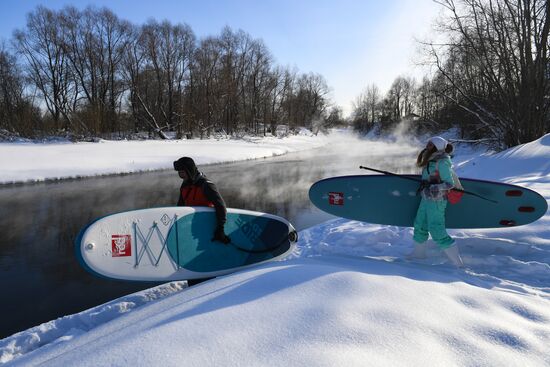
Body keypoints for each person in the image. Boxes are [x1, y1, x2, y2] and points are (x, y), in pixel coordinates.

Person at [407, 136, 464, 267]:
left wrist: (433, 187)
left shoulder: (442, 162)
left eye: (430, 145)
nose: (427, 146)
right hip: (426, 198)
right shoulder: (431, 161)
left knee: (436, 230)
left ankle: (458, 263)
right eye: (428, 144)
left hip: (437, 201)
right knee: (420, 225)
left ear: (436, 147)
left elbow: (449, 184)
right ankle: (418, 256)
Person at [173, 156, 231, 244]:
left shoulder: (206, 185)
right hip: (192, 224)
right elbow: (180, 206)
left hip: (208, 224)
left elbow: (220, 206)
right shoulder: (185, 186)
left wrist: (220, 228)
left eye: (183, 173)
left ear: (190, 171)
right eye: (179, 174)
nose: (182, 177)